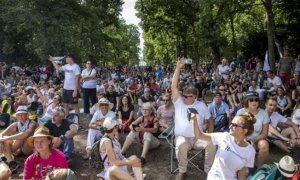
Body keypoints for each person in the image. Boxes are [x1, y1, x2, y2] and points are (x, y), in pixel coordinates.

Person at [172, 59, 215, 180]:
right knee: (180, 144)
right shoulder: (178, 102)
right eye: (184, 95)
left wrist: (210, 133)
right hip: (182, 137)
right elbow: (173, 86)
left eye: (187, 96)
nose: (184, 97)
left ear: (194, 97)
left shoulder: (201, 105)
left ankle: (209, 172)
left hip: (198, 137)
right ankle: (182, 171)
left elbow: (210, 120)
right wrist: (178, 68)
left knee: (211, 142)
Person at [193, 112, 256, 179]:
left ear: (245, 130)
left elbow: (242, 172)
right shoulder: (224, 137)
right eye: (231, 124)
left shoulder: (250, 151)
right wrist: (194, 120)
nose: (230, 127)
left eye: (235, 125)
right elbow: (199, 135)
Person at [236, 91, 269, 167]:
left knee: (264, 145)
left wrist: (254, 140)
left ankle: (259, 169)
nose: (254, 102)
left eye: (256, 100)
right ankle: (242, 167)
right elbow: (236, 130)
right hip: (242, 138)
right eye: (251, 100)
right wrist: (245, 140)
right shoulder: (240, 112)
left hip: (257, 139)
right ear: (246, 101)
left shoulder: (263, 113)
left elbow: (265, 133)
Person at [0, 106, 36, 172]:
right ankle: (11, 162)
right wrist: (1, 141)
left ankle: (7, 156)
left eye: (23, 114)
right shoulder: (16, 124)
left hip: (27, 149)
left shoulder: (32, 123)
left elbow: (24, 134)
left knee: (22, 137)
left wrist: (7, 137)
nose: (20, 116)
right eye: (18, 115)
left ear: (27, 115)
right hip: (17, 150)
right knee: (4, 140)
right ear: (16, 116)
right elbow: (2, 134)